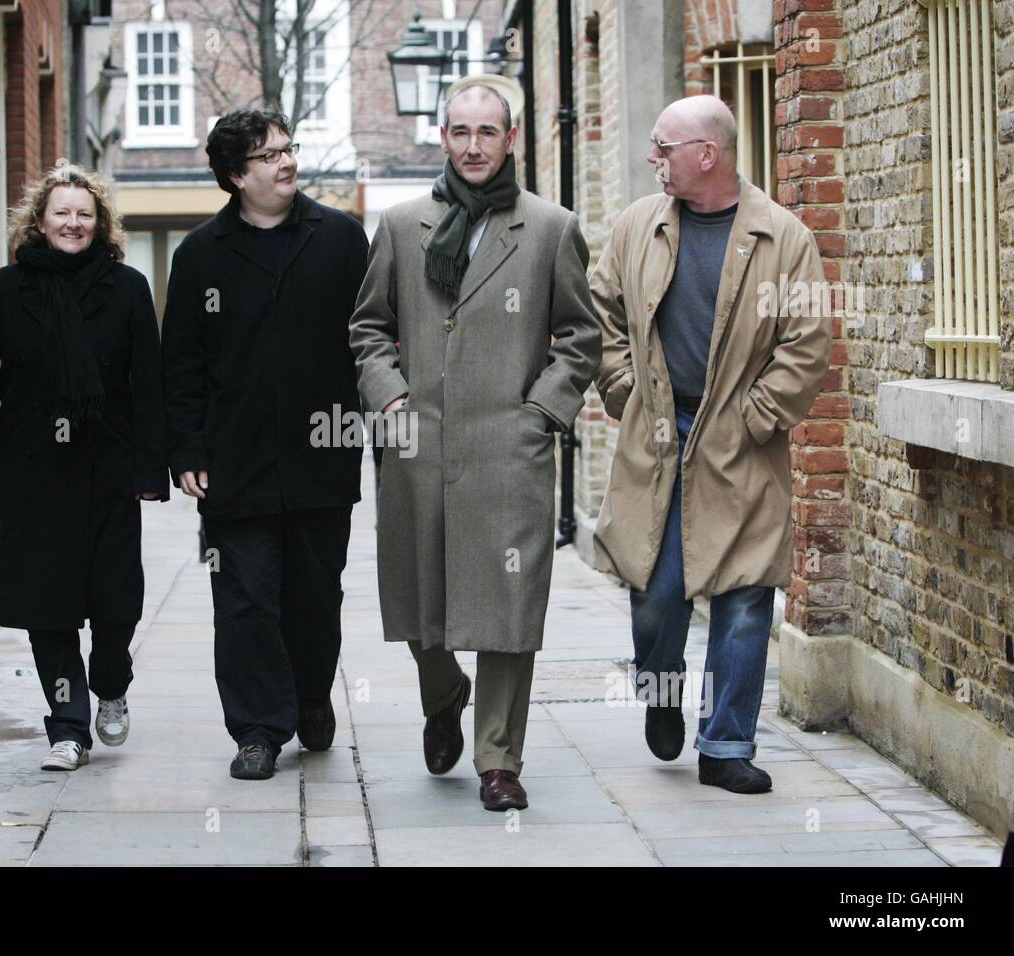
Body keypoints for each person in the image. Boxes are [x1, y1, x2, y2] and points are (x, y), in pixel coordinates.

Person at [350, 80, 602, 811]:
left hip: (508, 452)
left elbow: (581, 337)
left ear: (511, 138)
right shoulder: (401, 225)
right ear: (442, 136)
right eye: (459, 131)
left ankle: (499, 760)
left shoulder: (550, 228)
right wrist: (389, 395)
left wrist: (541, 414)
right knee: (421, 599)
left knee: (508, 606)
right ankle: (443, 693)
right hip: (418, 448)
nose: (472, 146)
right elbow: (367, 326)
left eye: (486, 132)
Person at [590, 95, 831, 793]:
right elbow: (601, 310)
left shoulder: (782, 238)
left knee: (745, 593)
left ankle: (726, 745)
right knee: (654, 589)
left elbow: (807, 342)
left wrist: (757, 416)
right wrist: (625, 389)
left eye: (664, 147)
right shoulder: (640, 225)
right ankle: (663, 691)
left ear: (707, 154)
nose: (651, 159)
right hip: (660, 432)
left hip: (740, 440)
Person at [162, 110, 368, 781]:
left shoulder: (340, 240)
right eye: (269, 155)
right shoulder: (199, 256)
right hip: (234, 464)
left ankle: (311, 697)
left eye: (289, 149)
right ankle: (256, 728)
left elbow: (371, 340)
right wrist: (187, 448)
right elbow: (182, 365)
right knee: (245, 599)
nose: (287, 163)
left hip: (322, 459)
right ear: (234, 176)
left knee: (315, 596)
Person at [0, 162, 169, 772]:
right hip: (35, 470)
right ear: (39, 222)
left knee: (115, 598)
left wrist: (154, 471)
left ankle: (112, 683)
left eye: (84, 213)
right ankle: (68, 726)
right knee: (47, 606)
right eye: (61, 213)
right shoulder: (4, 290)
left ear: (99, 224)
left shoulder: (125, 288)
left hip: (110, 467)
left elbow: (147, 385)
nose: (72, 223)